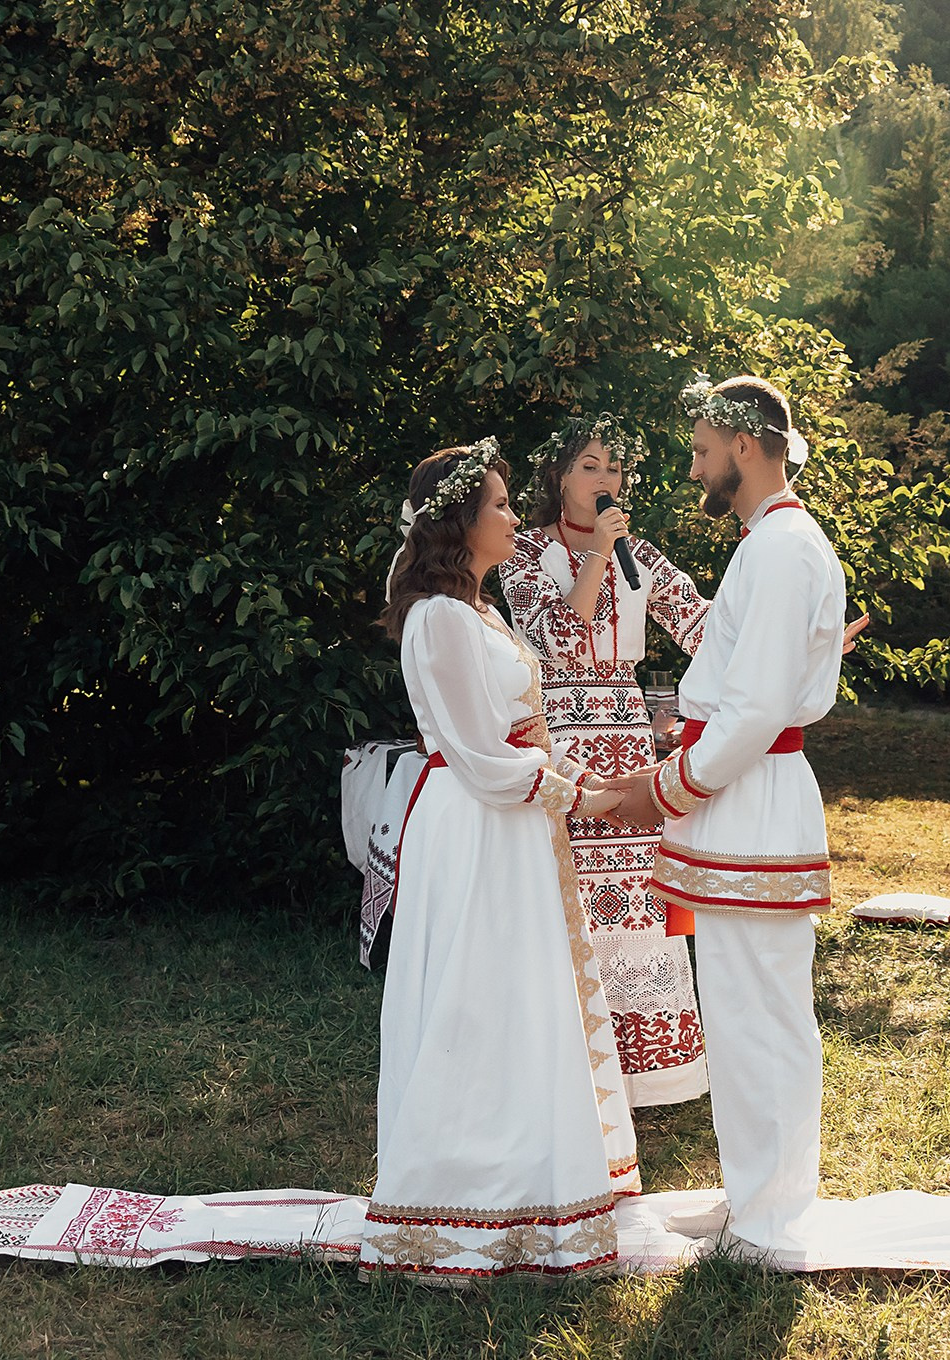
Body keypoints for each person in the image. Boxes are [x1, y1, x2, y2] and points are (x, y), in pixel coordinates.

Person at [358, 440, 641, 1284]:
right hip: (477, 826)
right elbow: (478, 756)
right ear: (460, 523)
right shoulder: (440, 618)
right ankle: (461, 1190)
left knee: (517, 993)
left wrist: (569, 781)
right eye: (503, 506)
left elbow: (509, 736)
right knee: (477, 995)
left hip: (509, 823)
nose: (515, 517)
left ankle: (528, 1169)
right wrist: (582, 794)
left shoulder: (475, 611)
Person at [601, 375, 847, 1258]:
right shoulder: (768, 542)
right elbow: (740, 676)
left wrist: (666, 784)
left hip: (754, 799)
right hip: (739, 802)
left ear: (744, 448)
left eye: (703, 450)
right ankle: (753, 1197)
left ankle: (773, 1219)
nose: (696, 466)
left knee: (765, 1012)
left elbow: (754, 712)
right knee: (740, 1009)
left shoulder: (782, 548)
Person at [497, 414, 715, 1108]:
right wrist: (595, 552)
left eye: (613, 469)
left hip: (625, 733)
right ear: (559, 477)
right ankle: (571, 1075)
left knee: (634, 901)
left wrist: (802, 638)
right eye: (590, 466)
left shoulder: (639, 554)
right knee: (570, 894)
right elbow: (561, 636)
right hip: (560, 732)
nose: (604, 480)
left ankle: (650, 1073)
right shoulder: (522, 551)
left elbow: (703, 625)